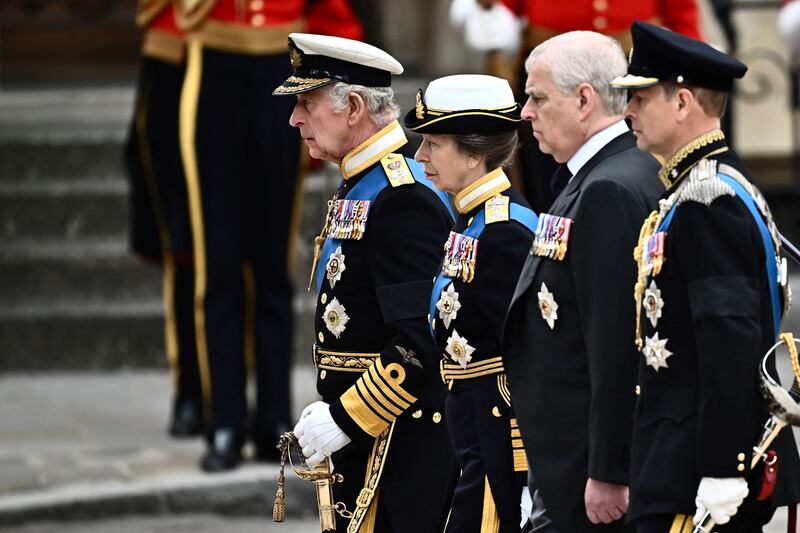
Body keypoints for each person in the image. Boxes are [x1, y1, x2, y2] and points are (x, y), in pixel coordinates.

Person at [610, 20, 800, 532]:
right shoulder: (700, 188)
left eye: (640, 98)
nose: (627, 111)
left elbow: (730, 337)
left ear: (682, 103)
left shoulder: (709, 200)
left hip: (694, 468)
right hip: (676, 455)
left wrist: (723, 466)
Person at [277, 33, 458, 532]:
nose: (295, 118)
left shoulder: (401, 196)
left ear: (353, 106)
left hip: (401, 446)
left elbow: (422, 340)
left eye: (306, 103)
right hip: (371, 440)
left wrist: (346, 415)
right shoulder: (365, 181)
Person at [175, 0, 363, 471]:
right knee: (218, 266)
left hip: (283, 69)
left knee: (274, 266)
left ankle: (275, 418)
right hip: (215, 66)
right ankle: (225, 421)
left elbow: (329, 14)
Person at [502, 31, 663, 532]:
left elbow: (615, 341)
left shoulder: (608, 187)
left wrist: (608, 470)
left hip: (587, 472)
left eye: (537, 97)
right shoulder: (601, 174)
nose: (526, 112)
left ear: (584, 100)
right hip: (567, 460)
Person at [406, 74, 537, 532]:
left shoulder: (503, 232)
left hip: (497, 453)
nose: (420, 156)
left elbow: (525, 362)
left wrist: (523, 476)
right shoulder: (471, 220)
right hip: (470, 441)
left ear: (475, 154)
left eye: (434, 143)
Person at [124, 0, 203, 438]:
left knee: (254, 257)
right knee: (185, 246)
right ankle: (192, 390)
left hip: (254, 55)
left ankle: (245, 395)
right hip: (175, 53)